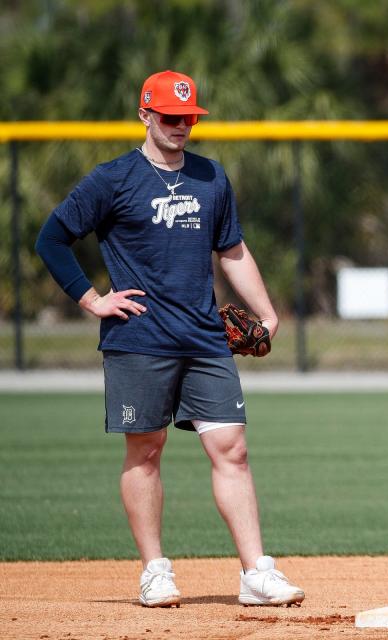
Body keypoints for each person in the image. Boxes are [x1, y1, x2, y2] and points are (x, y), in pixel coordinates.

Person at [34, 70, 304, 608]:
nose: (181, 125)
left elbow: (233, 251)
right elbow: (52, 238)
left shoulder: (210, 177)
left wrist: (267, 313)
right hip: (139, 338)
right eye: (170, 117)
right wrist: (92, 300)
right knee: (146, 451)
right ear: (146, 115)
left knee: (233, 449)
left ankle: (256, 572)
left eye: (189, 117)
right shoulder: (112, 179)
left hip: (206, 337)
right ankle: (155, 571)